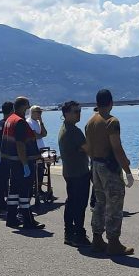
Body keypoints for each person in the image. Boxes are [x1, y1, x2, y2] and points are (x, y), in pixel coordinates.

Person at [85, 89, 135, 255]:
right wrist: (128, 171)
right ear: (111, 103)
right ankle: (113, 242)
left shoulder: (90, 122)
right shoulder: (112, 122)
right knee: (114, 204)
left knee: (100, 203)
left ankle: (97, 238)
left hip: (96, 165)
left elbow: (89, 148)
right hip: (109, 167)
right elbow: (116, 148)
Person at [0, 97, 45, 230]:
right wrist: (25, 164)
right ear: (23, 106)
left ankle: (11, 218)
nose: (28, 108)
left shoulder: (10, 119)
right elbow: (20, 144)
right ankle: (28, 220)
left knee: (13, 191)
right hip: (21, 162)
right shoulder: (19, 122)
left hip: (12, 162)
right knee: (25, 192)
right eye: (27, 106)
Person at [57, 101, 90, 246]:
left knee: (71, 203)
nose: (79, 114)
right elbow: (88, 148)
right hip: (78, 172)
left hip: (70, 171)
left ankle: (70, 233)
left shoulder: (65, 128)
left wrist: (81, 149)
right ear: (66, 114)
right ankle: (78, 234)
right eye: (75, 111)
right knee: (79, 205)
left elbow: (82, 148)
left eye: (79, 111)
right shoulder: (74, 131)